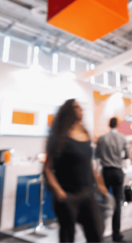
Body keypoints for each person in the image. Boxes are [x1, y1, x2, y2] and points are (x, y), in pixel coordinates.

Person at [44, 99, 108, 242]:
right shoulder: (59, 137)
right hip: (68, 196)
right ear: (69, 111)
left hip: (88, 193)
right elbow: (48, 168)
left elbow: (89, 162)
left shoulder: (85, 133)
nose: (81, 110)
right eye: (77, 107)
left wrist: (100, 184)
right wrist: (59, 191)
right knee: (68, 236)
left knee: (96, 235)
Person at [95, 117, 129, 242]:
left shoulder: (102, 138)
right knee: (117, 204)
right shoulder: (122, 138)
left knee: (103, 202)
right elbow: (127, 155)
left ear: (108, 125)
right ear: (117, 125)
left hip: (106, 172)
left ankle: (99, 233)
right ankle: (116, 234)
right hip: (117, 171)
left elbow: (97, 155)